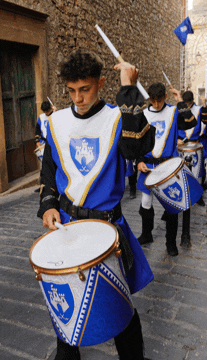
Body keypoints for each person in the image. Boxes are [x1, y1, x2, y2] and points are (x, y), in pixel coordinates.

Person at [37, 49, 156, 360]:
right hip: (67, 226)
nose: (78, 98)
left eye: (85, 89)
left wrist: (129, 87)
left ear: (101, 83)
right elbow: (49, 169)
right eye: (72, 90)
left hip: (106, 227)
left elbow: (135, 148)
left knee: (119, 310)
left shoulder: (117, 117)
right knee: (67, 313)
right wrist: (49, 204)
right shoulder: (58, 122)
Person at [136, 83, 197, 256]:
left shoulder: (173, 111)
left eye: (160, 100)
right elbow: (138, 141)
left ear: (165, 97)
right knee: (145, 203)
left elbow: (190, 122)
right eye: (153, 100)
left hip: (167, 166)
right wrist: (139, 160)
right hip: (148, 165)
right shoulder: (144, 114)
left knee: (172, 205)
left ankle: (171, 243)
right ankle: (146, 234)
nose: (156, 104)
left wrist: (180, 101)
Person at [179, 91, 207, 206]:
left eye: (189, 103)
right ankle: (183, 195)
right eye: (186, 103)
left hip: (195, 144)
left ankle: (198, 196)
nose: (187, 105)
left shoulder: (199, 109)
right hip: (181, 144)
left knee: (198, 172)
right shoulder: (179, 109)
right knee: (181, 172)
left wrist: (204, 105)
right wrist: (177, 139)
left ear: (192, 101)